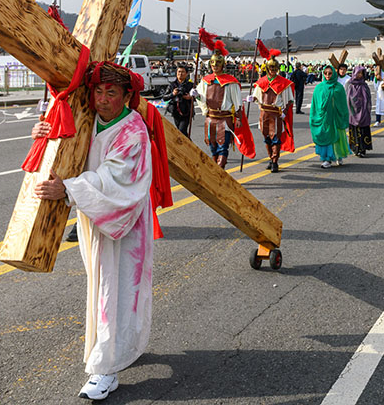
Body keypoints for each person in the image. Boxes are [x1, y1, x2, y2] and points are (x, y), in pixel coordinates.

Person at [31, 61, 163, 400]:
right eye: (98, 91)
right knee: (107, 288)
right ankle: (124, 347)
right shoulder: (88, 119)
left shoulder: (132, 131)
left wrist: (70, 190)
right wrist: (45, 135)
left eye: (112, 93)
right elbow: (70, 149)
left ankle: (105, 369)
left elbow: (116, 179)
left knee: (112, 292)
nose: (103, 100)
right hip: (96, 218)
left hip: (125, 222)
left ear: (127, 96)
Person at [192, 40, 243, 169]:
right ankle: (217, 170)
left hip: (224, 119)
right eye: (213, 63)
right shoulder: (205, 81)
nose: (215, 66)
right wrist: (196, 95)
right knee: (212, 146)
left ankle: (220, 170)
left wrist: (238, 117)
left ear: (222, 65)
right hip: (210, 118)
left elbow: (237, 101)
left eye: (218, 63)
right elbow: (201, 97)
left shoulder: (230, 82)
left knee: (223, 146)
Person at [250, 48, 295, 172]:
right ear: (267, 69)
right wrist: (251, 98)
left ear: (278, 69)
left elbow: (290, 100)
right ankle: (271, 158)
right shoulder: (262, 82)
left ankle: (275, 161)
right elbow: (256, 96)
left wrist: (284, 112)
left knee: (275, 137)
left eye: (275, 69)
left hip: (276, 113)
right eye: (271, 69)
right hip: (264, 112)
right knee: (266, 137)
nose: (272, 71)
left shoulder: (283, 83)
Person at [310, 64, 350, 168]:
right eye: (325, 73)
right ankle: (327, 159)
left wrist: (342, 115)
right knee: (326, 136)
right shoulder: (319, 88)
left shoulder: (339, 87)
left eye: (330, 73)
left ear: (334, 74)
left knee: (337, 137)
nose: (327, 75)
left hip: (336, 118)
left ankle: (338, 155)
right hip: (324, 118)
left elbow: (343, 104)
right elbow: (315, 104)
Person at [347, 66, 373, 157]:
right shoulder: (350, 85)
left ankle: (363, 149)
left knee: (363, 130)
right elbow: (348, 99)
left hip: (364, 111)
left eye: (361, 73)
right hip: (353, 112)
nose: (359, 75)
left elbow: (368, 99)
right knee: (354, 130)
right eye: (358, 73)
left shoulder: (364, 85)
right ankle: (355, 149)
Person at [162, 63, 194, 136]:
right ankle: (189, 146)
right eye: (179, 72)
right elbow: (164, 97)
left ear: (186, 74)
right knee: (182, 133)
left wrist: (190, 96)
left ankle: (188, 146)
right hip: (175, 112)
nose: (180, 74)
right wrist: (172, 94)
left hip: (186, 112)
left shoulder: (190, 85)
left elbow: (197, 96)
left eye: (182, 72)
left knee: (181, 131)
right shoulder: (172, 85)